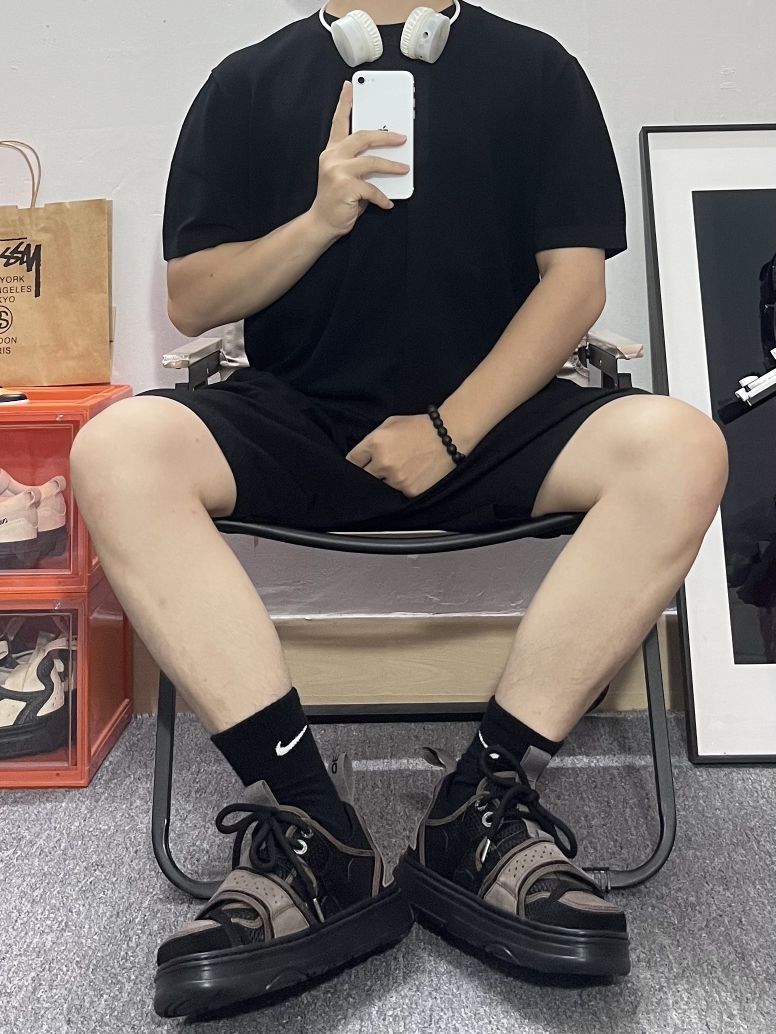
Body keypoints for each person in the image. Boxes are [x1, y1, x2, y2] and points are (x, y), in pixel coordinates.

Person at [69, 0, 729, 1019]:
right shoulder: (245, 83)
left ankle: (480, 805)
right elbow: (196, 298)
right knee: (113, 448)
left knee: (683, 446)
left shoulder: (538, 71)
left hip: (490, 418)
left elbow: (575, 287)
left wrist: (451, 430)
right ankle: (314, 827)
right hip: (298, 415)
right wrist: (319, 217)